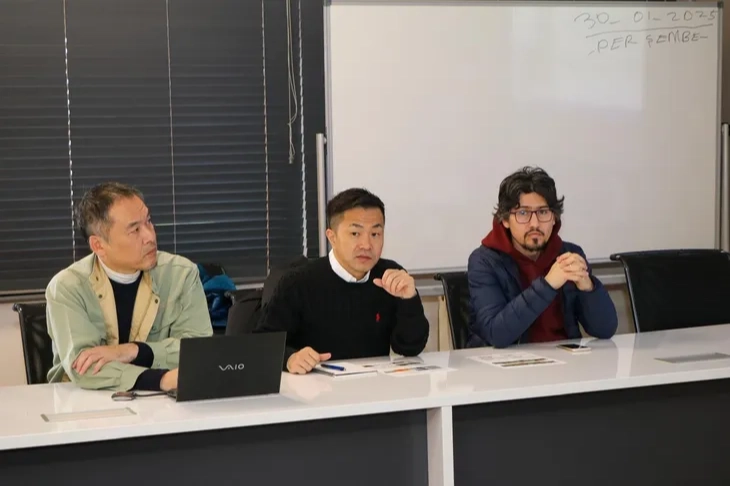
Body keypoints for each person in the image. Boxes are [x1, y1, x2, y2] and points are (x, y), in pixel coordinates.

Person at [46, 182, 213, 391]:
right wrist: (161, 380)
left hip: (160, 403)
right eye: (135, 230)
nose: (150, 236)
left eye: (149, 221)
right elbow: (83, 368)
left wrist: (133, 351)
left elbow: (199, 351)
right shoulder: (68, 287)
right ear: (99, 245)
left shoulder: (181, 274)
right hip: (82, 400)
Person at [256, 188, 430, 374]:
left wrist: (409, 299)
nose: (366, 245)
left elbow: (410, 348)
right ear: (332, 237)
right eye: (355, 233)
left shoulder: (389, 276)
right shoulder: (297, 282)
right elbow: (261, 345)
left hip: (373, 386)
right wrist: (290, 358)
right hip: (315, 387)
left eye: (375, 234)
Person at [467, 167, 617, 348]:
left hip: (567, 360)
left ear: (554, 217)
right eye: (523, 213)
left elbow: (605, 330)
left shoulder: (569, 254)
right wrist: (548, 284)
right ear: (505, 220)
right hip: (511, 362)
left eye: (543, 212)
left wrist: (588, 287)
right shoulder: (484, 261)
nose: (535, 223)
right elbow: (496, 334)